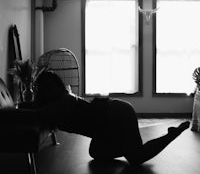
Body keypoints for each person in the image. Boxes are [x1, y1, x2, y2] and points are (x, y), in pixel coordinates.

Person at [34, 71, 190, 165]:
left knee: (136, 158)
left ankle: (171, 134)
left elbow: (39, 114)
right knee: (96, 152)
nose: (47, 90)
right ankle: (126, 146)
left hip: (117, 114)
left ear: (57, 85)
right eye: (44, 87)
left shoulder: (63, 101)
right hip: (105, 125)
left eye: (50, 85)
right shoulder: (58, 101)